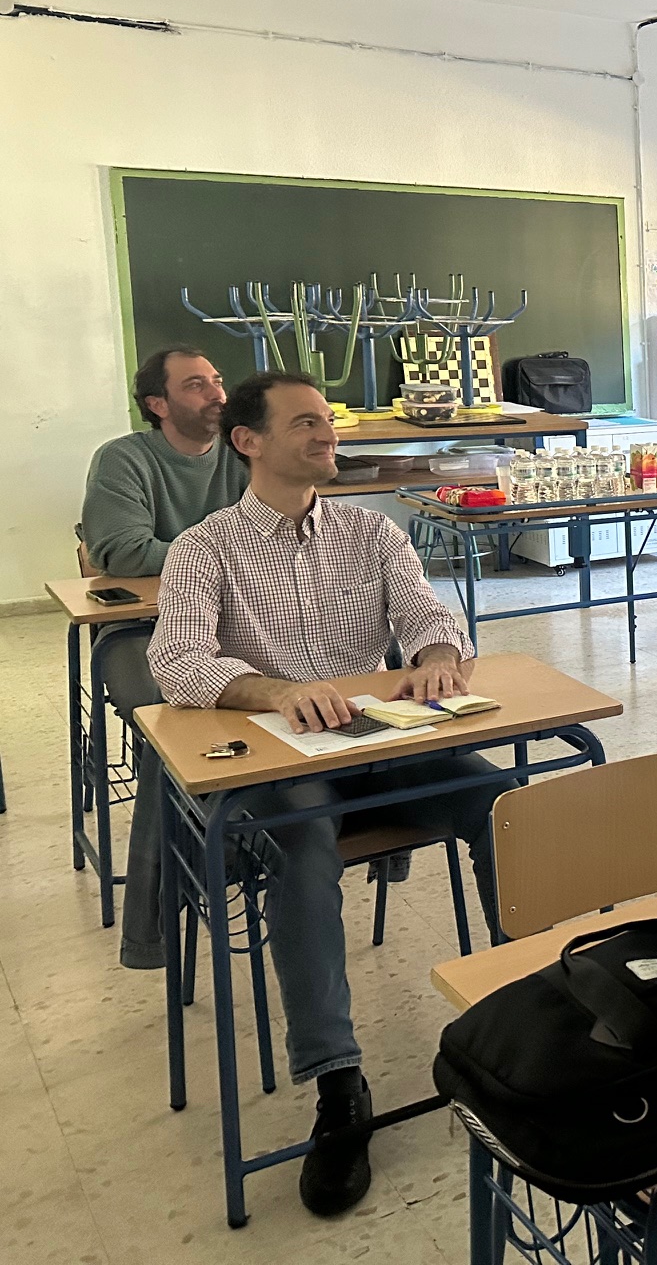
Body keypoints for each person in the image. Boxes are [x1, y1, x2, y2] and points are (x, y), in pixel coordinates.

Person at [148, 371, 510, 1217]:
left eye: (327, 423)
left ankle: (532, 1012)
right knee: (303, 853)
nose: (327, 437)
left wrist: (436, 659)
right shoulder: (206, 548)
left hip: (381, 746)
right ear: (248, 441)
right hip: (285, 763)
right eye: (305, 424)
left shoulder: (371, 532)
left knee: (507, 805)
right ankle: (338, 1084)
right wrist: (274, 691)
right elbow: (177, 663)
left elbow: (431, 619)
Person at [78, 347, 246, 972]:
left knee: (333, 671)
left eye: (218, 379)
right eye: (197, 385)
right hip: (137, 629)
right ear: (159, 404)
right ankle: (164, 900)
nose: (217, 394)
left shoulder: (242, 450)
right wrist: (222, 556)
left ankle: (261, 834)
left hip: (232, 622)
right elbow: (120, 550)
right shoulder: (124, 459)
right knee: (169, 715)